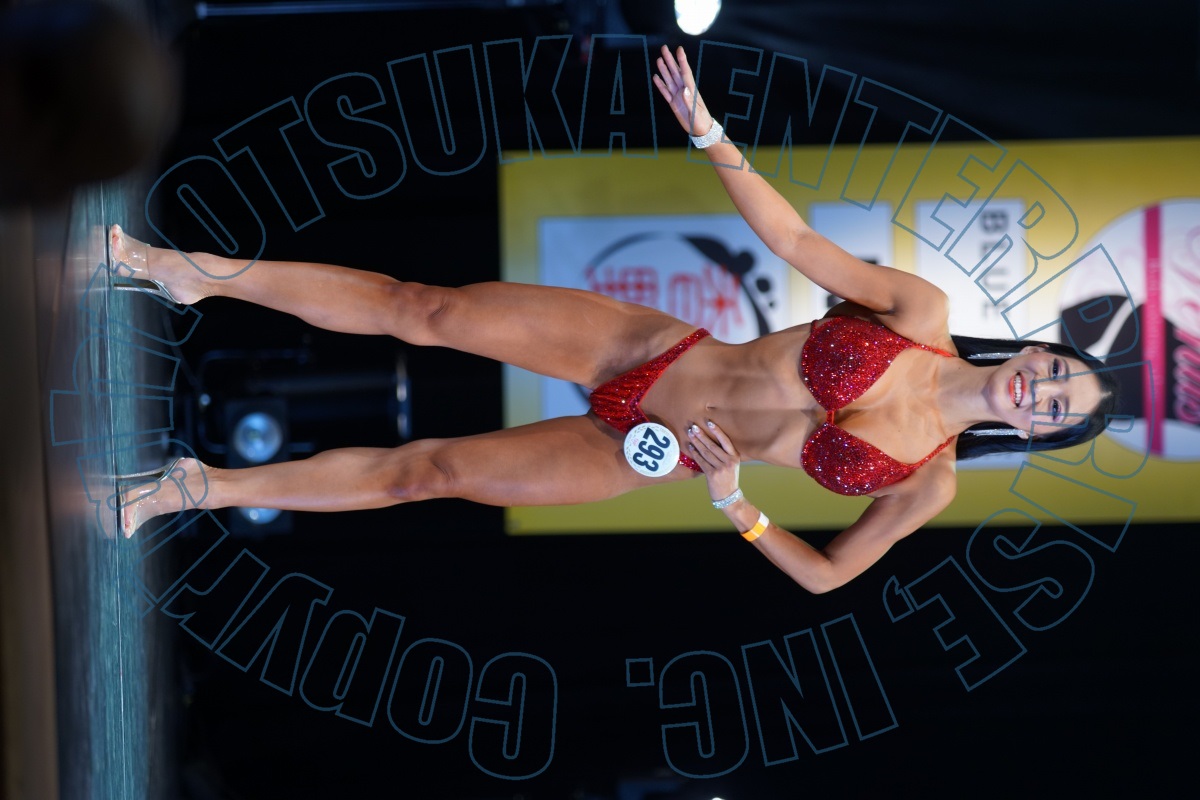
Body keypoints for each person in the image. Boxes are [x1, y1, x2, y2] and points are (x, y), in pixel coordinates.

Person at [112, 46, 1115, 593]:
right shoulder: (923, 311)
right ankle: (192, 275)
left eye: (1055, 409)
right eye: (1057, 372)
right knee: (425, 310)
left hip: (652, 452)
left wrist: (733, 500)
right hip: (650, 350)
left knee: (431, 474)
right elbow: (798, 242)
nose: (1042, 391)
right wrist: (713, 134)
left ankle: (201, 487)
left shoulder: (930, 481)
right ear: (1037, 348)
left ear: (1037, 432)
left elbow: (824, 575)